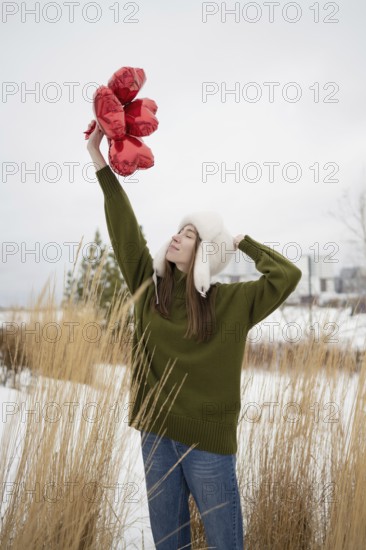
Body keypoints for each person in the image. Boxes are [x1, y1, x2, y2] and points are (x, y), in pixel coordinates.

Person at [86, 120, 302, 549]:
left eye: (189, 234)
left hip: (208, 444)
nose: (176, 237)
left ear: (205, 252)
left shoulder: (232, 303)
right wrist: (98, 157)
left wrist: (241, 242)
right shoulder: (151, 292)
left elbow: (287, 275)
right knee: (170, 543)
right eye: (178, 230)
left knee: (226, 543)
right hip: (155, 436)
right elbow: (125, 229)